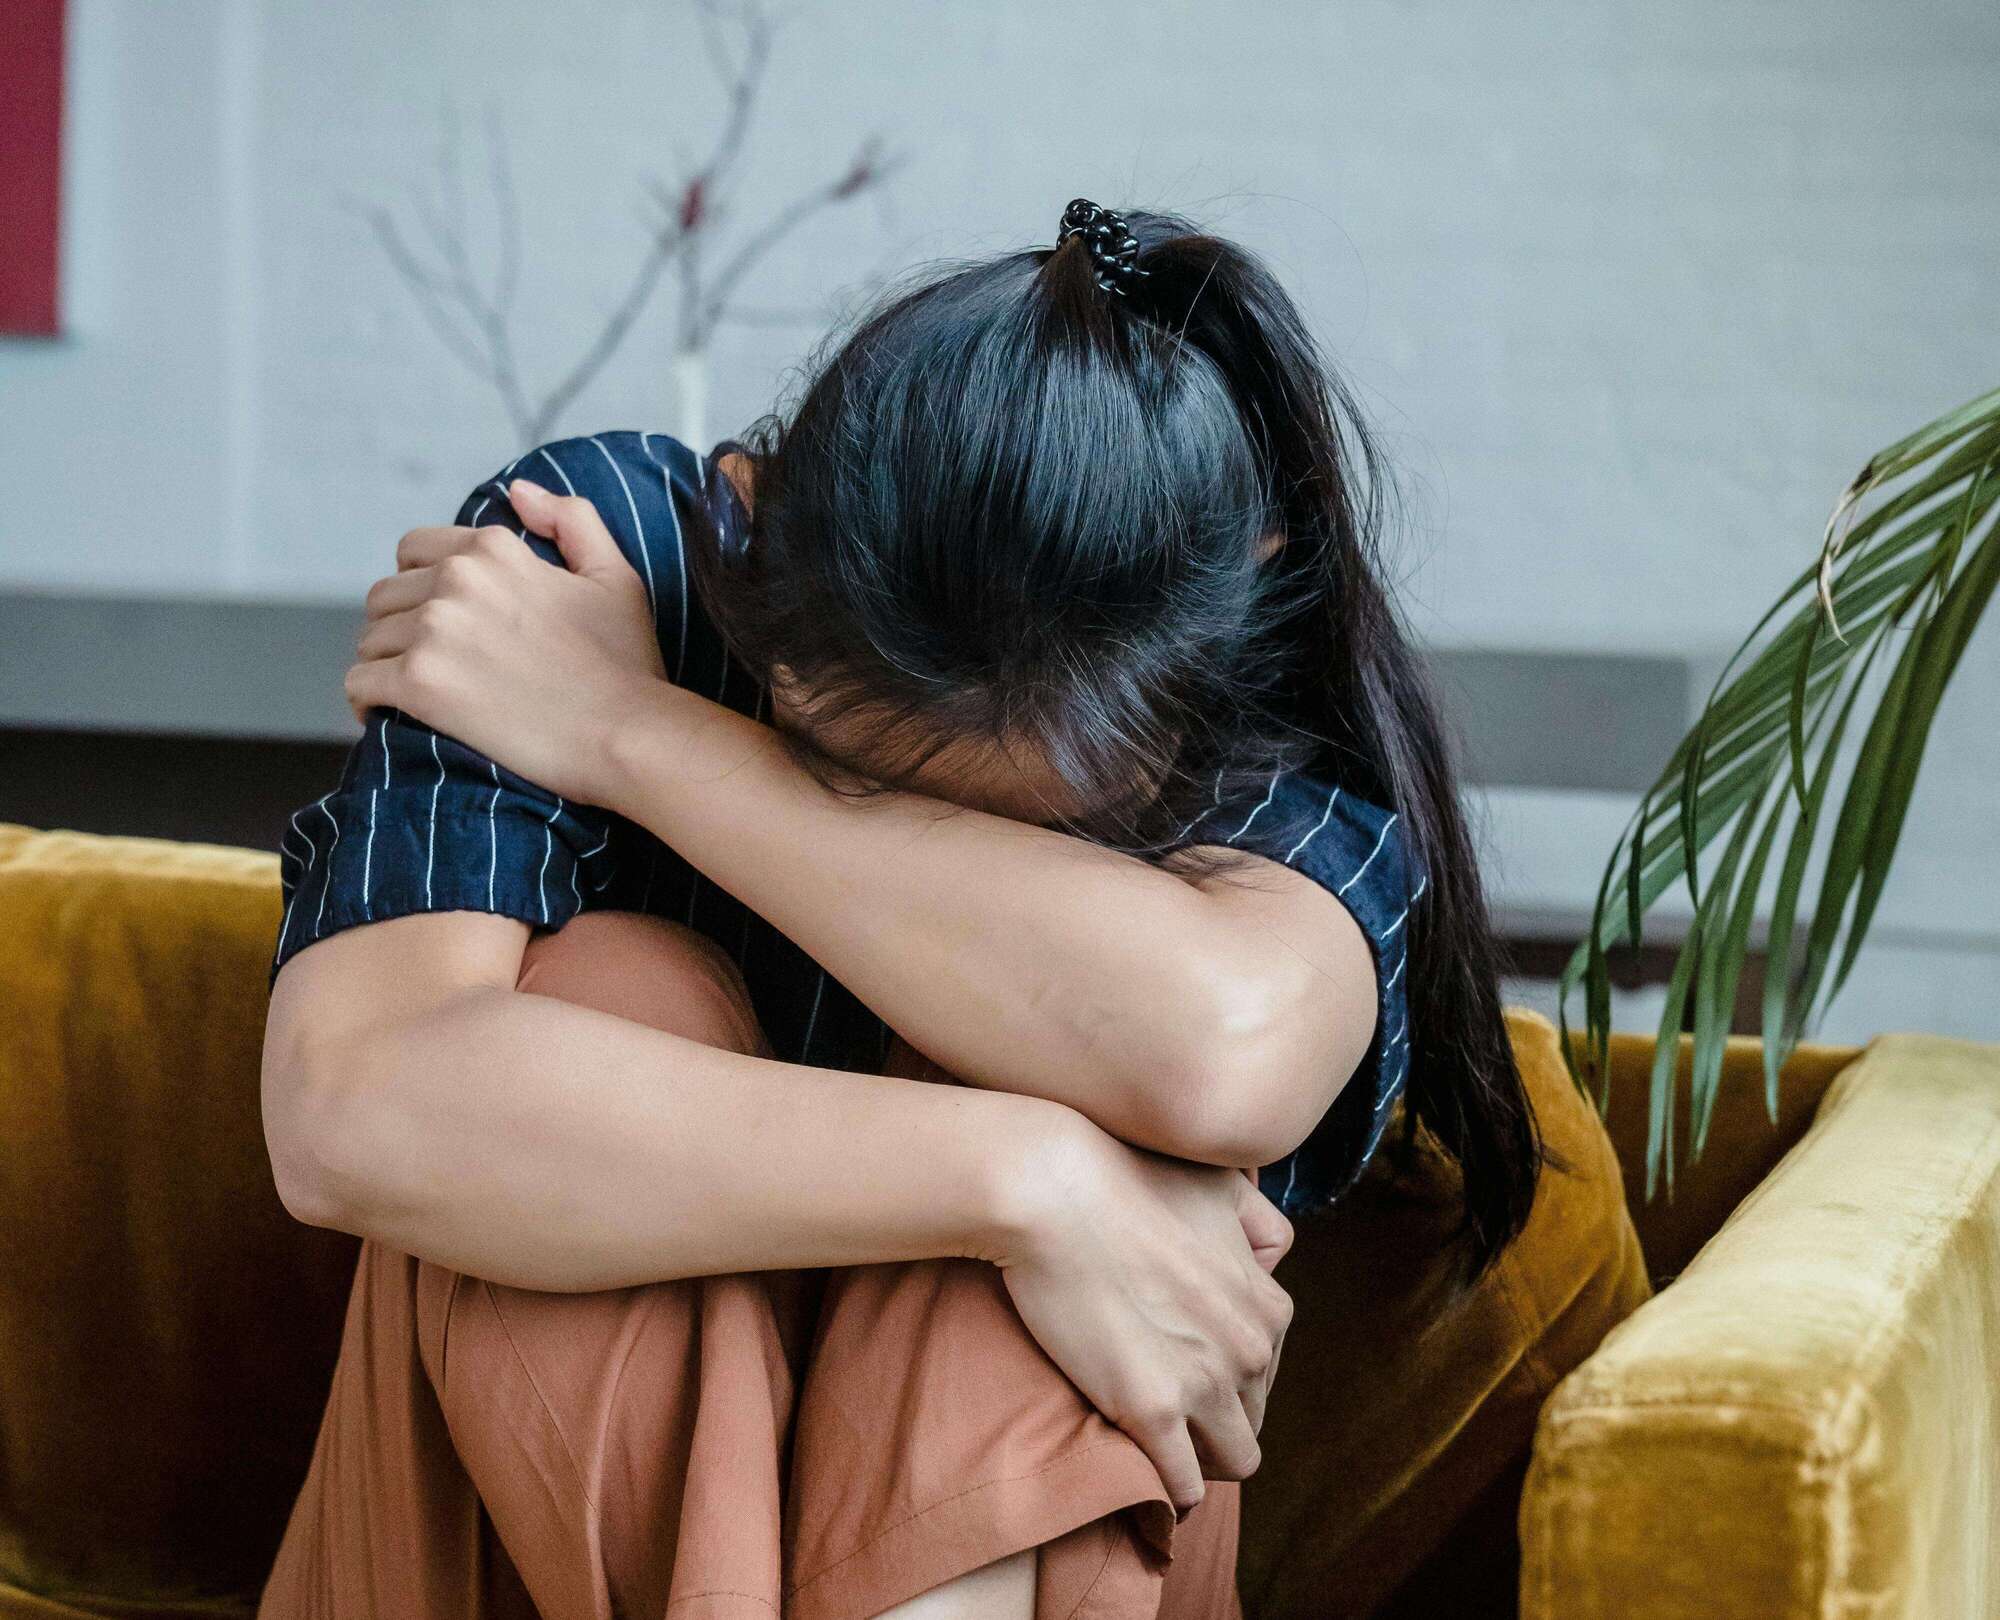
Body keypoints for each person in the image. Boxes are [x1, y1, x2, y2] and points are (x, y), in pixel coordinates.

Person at [255, 199, 1544, 1619]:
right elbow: (351, 1106)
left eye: (1021, 820)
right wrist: (1028, 1186)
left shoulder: (1259, 735)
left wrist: (631, 734)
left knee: (1085, 1090)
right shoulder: (604, 555)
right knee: (619, 991)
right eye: (843, 757)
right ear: (750, 511)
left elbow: (1212, 1056)